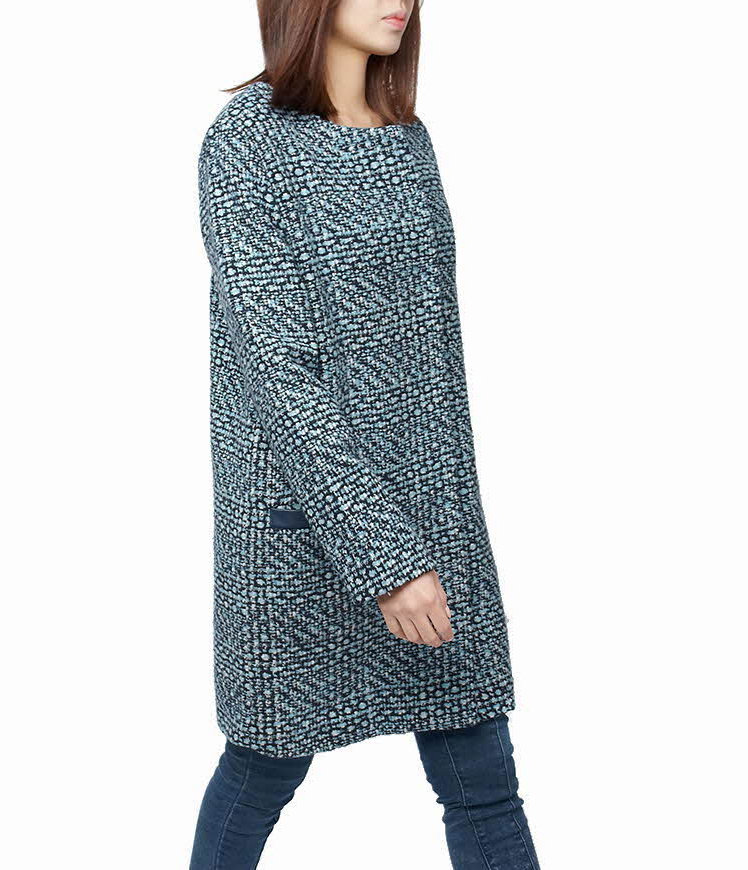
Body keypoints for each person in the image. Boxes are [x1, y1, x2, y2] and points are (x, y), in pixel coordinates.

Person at [190, 2, 540, 868]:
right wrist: (385, 557)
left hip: (435, 516)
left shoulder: (406, 136)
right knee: (263, 767)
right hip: (304, 527)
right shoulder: (246, 143)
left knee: (484, 780)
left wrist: (426, 542)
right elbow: (277, 373)